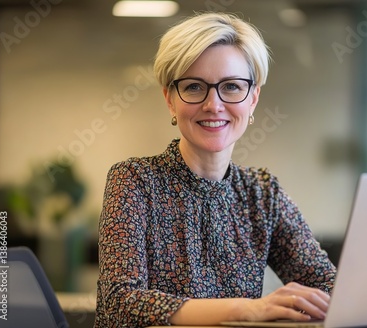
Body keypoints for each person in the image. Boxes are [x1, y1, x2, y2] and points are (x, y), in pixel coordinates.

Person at [94, 12, 336, 328]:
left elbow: (327, 285)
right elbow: (120, 303)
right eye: (194, 87)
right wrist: (248, 309)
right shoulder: (135, 181)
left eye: (232, 87)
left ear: (253, 98)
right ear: (170, 99)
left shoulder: (262, 193)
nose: (213, 104)